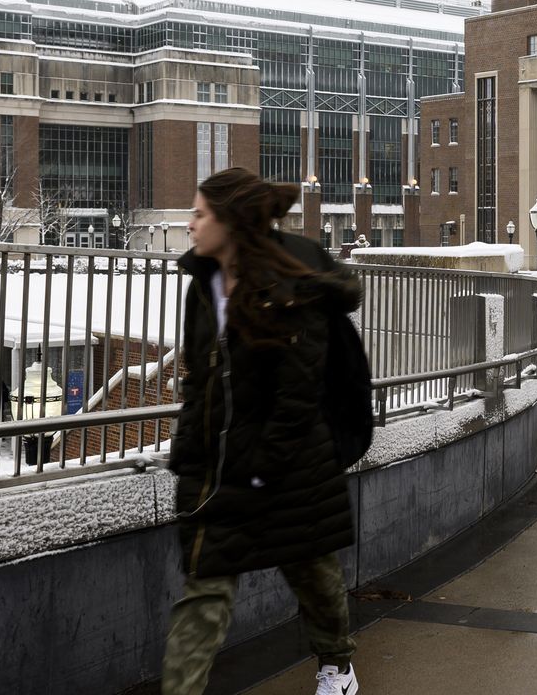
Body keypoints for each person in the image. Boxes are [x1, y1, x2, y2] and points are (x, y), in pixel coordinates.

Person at [164, 168, 362, 695]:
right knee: (204, 593)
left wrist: (264, 467)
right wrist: (187, 451)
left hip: (290, 462)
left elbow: (298, 394)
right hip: (220, 467)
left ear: (229, 221)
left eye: (199, 214)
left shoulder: (288, 288)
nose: (189, 225)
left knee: (312, 572)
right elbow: (200, 378)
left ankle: (337, 667)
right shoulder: (202, 286)